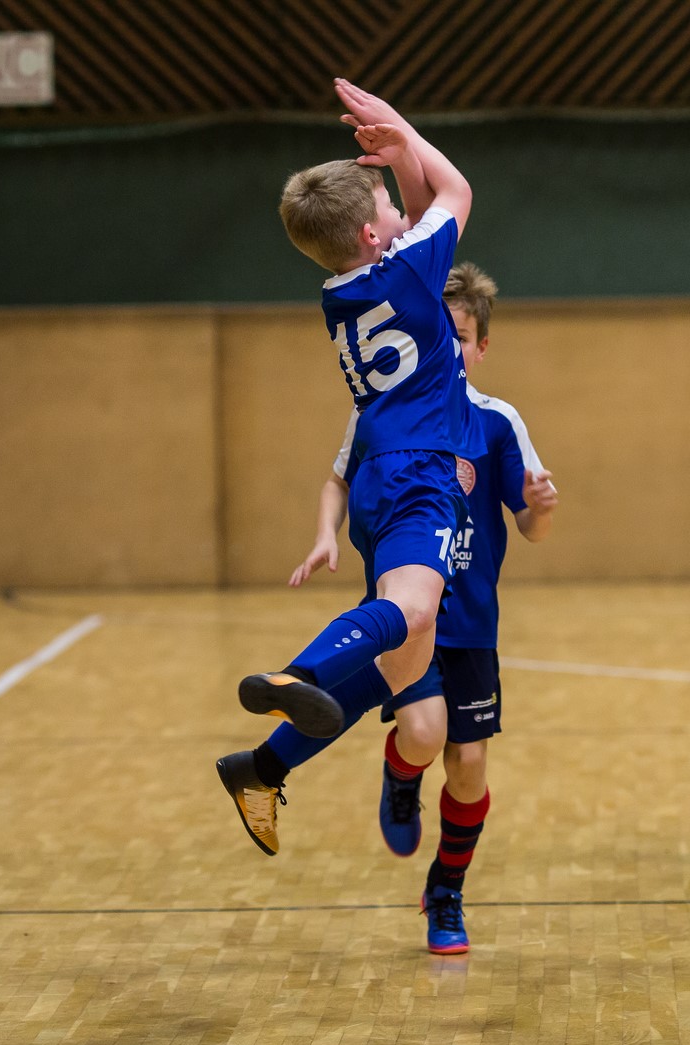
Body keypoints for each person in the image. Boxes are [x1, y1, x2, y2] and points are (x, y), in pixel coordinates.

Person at [220, 262, 557, 956]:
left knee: (468, 766)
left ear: (481, 346)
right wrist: (326, 533)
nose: (450, 346)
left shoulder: (498, 422)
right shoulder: (385, 407)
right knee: (425, 735)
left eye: (462, 337)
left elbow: (531, 526)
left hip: (472, 625)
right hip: (407, 606)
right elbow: (337, 481)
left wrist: (542, 508)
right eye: (441, 332)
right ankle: (397, 775)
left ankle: (445, 890)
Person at [215, 81, 477, 868]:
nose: (401, 212)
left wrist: (396, 162)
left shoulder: (347, 288)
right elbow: (456, 193)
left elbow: (422, 206)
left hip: (374, 472)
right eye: (388, 209)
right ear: (371, 232)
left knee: (403, 656)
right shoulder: (406, 274)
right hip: (419, 470)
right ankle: (296, 673)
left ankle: (261, 768)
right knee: (413, 608)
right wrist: (403, 131)